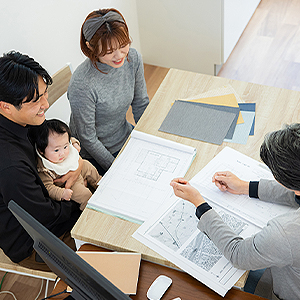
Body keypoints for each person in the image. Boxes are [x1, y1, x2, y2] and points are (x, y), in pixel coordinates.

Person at [170, 124, 300, 300]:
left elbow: (238, 254)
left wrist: (200, 204)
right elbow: (294, 191)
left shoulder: (285, 232)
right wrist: (245, 187)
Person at [0, 51, 83, 272]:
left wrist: (78, 169)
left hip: (52, 192)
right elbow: (45, 217)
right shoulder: (10, 165)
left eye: (45, 94)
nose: (46, 104)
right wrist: (82, 202)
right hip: (35, 241)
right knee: (112, 253)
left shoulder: (25, 120)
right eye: (36, 100)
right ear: (5, 106)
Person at [67, 8, 149, 175]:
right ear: (91, 47)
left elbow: (141, 103)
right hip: (94, 155)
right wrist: (116, 168)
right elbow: (88, 139)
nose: (119, 55)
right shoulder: (83, 84)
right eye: (109, 51)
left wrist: (148, 140)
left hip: (125, 135)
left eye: (123, 45)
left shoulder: (132, 58)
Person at [28, 119, 102, 210]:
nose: (62, 153)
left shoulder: (59, 142)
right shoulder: (44, 169)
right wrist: (61, 193)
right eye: (56, 150)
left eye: (65, 147)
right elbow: (47, 187)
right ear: (41, 150)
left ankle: (101, 184)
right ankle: (90, 212)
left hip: (76, 169)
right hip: (68, 185)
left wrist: (74, 143)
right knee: (86, 196)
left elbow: (69, 139)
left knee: (87, 165)